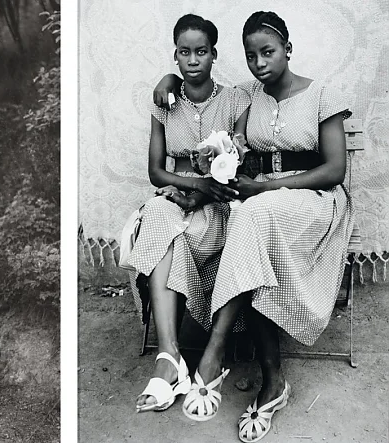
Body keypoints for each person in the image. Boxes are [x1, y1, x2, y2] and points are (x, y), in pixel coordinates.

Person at [154, 11, 352, 442]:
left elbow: (335, 169)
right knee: (247, 217)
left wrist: (271, 186)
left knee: (252, 215)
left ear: (288, 49)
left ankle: (216, 351)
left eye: (268, 52)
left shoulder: (320, 94)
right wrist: (168, 82)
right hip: (263, 200)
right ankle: (271, 379)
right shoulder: (250, 98)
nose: (260, 62)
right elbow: (200, 94)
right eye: (251, 56)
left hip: (317, 203)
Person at [130, 13, 249, 414]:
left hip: (218, 203)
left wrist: (205, 187)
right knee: (160, 217)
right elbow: (155, 171)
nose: (193, 59)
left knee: (175, 228)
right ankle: (170, 357)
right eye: (185, 52)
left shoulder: (234, 100)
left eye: (201, 51)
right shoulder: (165, 104)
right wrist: (190, 184)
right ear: (175, 57)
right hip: (177, 196)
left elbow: (241, 165)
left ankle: (175, 362)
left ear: (214, 55)